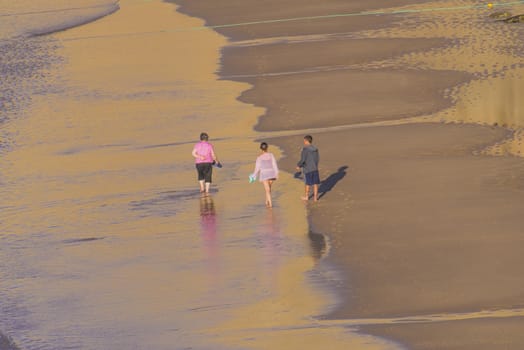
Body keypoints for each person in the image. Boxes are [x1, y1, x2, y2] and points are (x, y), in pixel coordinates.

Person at [251, 142, 279, 208]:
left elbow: (257, 168)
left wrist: (253, 176)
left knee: (267, 190)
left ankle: (271, 205)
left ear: (261, 149)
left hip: (264, 174)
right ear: (267, 148)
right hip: (272, 173)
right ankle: (267, 201)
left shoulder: (259, 157)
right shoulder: (271, 155)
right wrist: (277, 173)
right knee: (268, 189)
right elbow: (274, 164)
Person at [296, 134, 320, 201]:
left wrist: (298, 165)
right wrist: (315, 165)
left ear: (306, 141)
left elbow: (303, 160)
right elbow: (317, 159)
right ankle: (315, 198)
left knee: (307, 183)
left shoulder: (305, 149)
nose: (304, 142)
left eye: (304, 140)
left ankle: (306, 197)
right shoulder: (315, 149)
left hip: (308, 169)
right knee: (315, 183)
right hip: (315, 168)